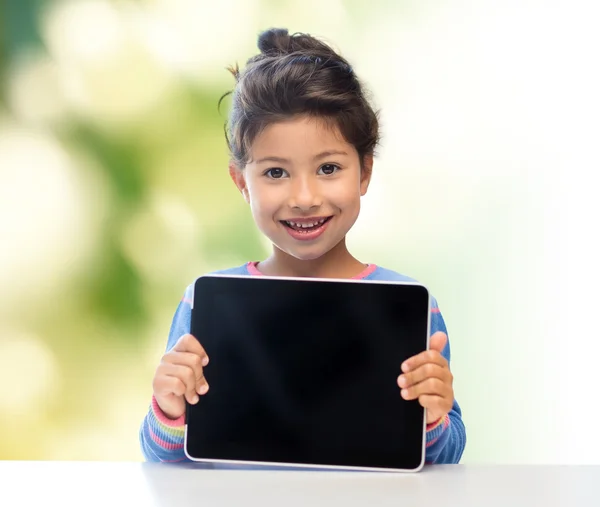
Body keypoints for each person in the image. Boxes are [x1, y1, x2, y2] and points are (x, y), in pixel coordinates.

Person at [139, 27, 466, 466]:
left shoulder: (409, 307)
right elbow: (163, 457)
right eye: (276, 173)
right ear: (242, 182)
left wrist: (432, 417)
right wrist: (169, 409)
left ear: (364, 172)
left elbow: (447, 455)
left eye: (329, 167)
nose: (305, 197)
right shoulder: (207, 303)